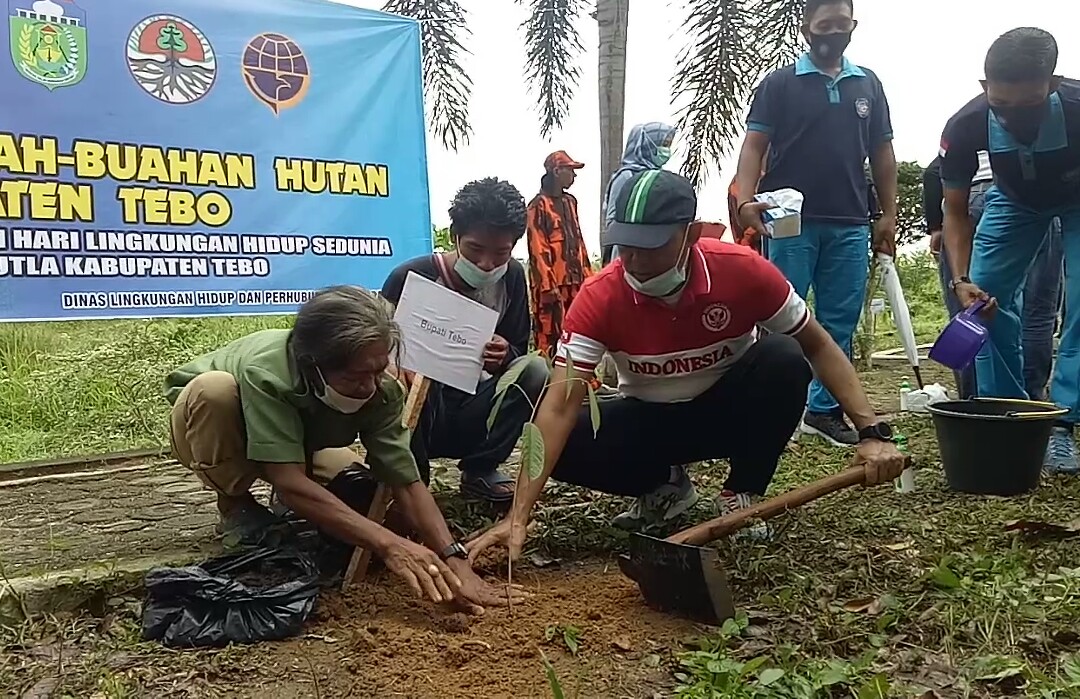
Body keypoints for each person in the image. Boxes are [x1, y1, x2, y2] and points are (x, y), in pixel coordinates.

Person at [466, 170, 907, 557]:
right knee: (557, 437)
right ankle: (663, 487)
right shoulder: (601, 296)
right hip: (650, 421)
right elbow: (560, 403)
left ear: (691, 235)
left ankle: (742, 491)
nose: (634, 261)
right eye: (626, 246)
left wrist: (870, 433)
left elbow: (818, 344)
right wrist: (519, 516)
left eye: (651, 247)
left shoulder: (741, 271)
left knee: (784, 358)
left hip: (728, 413)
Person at [165, 286, 522, 612]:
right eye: (354, 378)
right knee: (216, 392)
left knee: (356, 491)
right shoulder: (268, 374)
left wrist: (455, 560)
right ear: (313, 367)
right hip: (217, 428)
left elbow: (406, 480)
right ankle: (236, 505)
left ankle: (293, 483)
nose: (368, 387)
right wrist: (389, 544)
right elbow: (289, 482)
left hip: (303, 444)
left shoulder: (382, 390)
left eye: (377, 371)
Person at [732, 0, 897, 447]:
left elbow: (882, 152)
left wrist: (888, 213)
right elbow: (753, 146)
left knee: (839, 319)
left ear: (853, 27)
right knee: (778, 315)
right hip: (790, 220)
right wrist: (746, 200)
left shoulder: (868, 84)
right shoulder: (781, 84)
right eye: (825, 25)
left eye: (842, 25)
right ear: (806, 28)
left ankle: (823, 411)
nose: (834, 32)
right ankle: (766, 410)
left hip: (850, 219)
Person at [938, 27, 1080, 473]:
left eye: (1029, 105)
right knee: (984, 300)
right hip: (1013, 200)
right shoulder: (966, 125)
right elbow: (955, 210)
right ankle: (1013, 414)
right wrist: (961, 279)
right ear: (985, 89)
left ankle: (1063, 424)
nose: (1012, 116)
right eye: (1001, 106)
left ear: (1052, 85)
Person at [381, 178, 551, 504]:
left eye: (501, 252)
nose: (487, 264)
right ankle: (411, 481)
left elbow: (518, 347)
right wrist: (398, 369)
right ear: (455, 237)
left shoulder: (513, 278)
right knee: (403, 380)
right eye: (475, 249)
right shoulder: (409, 278)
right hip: (416, 412)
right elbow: (376, 352)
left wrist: (504, 354)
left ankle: (481, 470)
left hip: (475, 408)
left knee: (535, 370)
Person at [923, 152, 1063, 402]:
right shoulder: (1050, 121)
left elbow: (934, 172)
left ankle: (977, 403)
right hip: (1039, 200)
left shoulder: (971, 124)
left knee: (969, 310)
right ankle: (1031, 403)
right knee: (1036, 313)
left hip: (970, 198)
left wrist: (935, 225)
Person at [526, 152, 595, 359]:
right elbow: (537, 248)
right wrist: (547, 286)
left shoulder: (570, 202)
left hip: (576, 281)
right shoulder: (537, 205)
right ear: (556, 172)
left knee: (579, 332)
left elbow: (579, 241)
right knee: (549, 334)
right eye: (570, 170)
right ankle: (548, 381)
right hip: (552, 284)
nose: (574, 176)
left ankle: (584, 382)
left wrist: (589, 278)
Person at [602, 122, 678, 265]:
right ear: (647, 145)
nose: (666, 150)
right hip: (628, 251)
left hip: (653, 249)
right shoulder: (626, 176)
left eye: (668, 146)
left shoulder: (658, 177)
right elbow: (611, 220)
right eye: (663, 145)